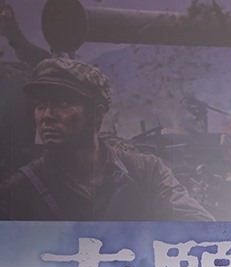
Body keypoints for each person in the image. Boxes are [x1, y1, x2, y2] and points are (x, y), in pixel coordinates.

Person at [0, 58, 213, 221]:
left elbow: (201, 229)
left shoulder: (146, 172)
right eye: (40, 105)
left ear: (96, 113)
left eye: (63, 104)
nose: (47, 115)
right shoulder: (18, 191)